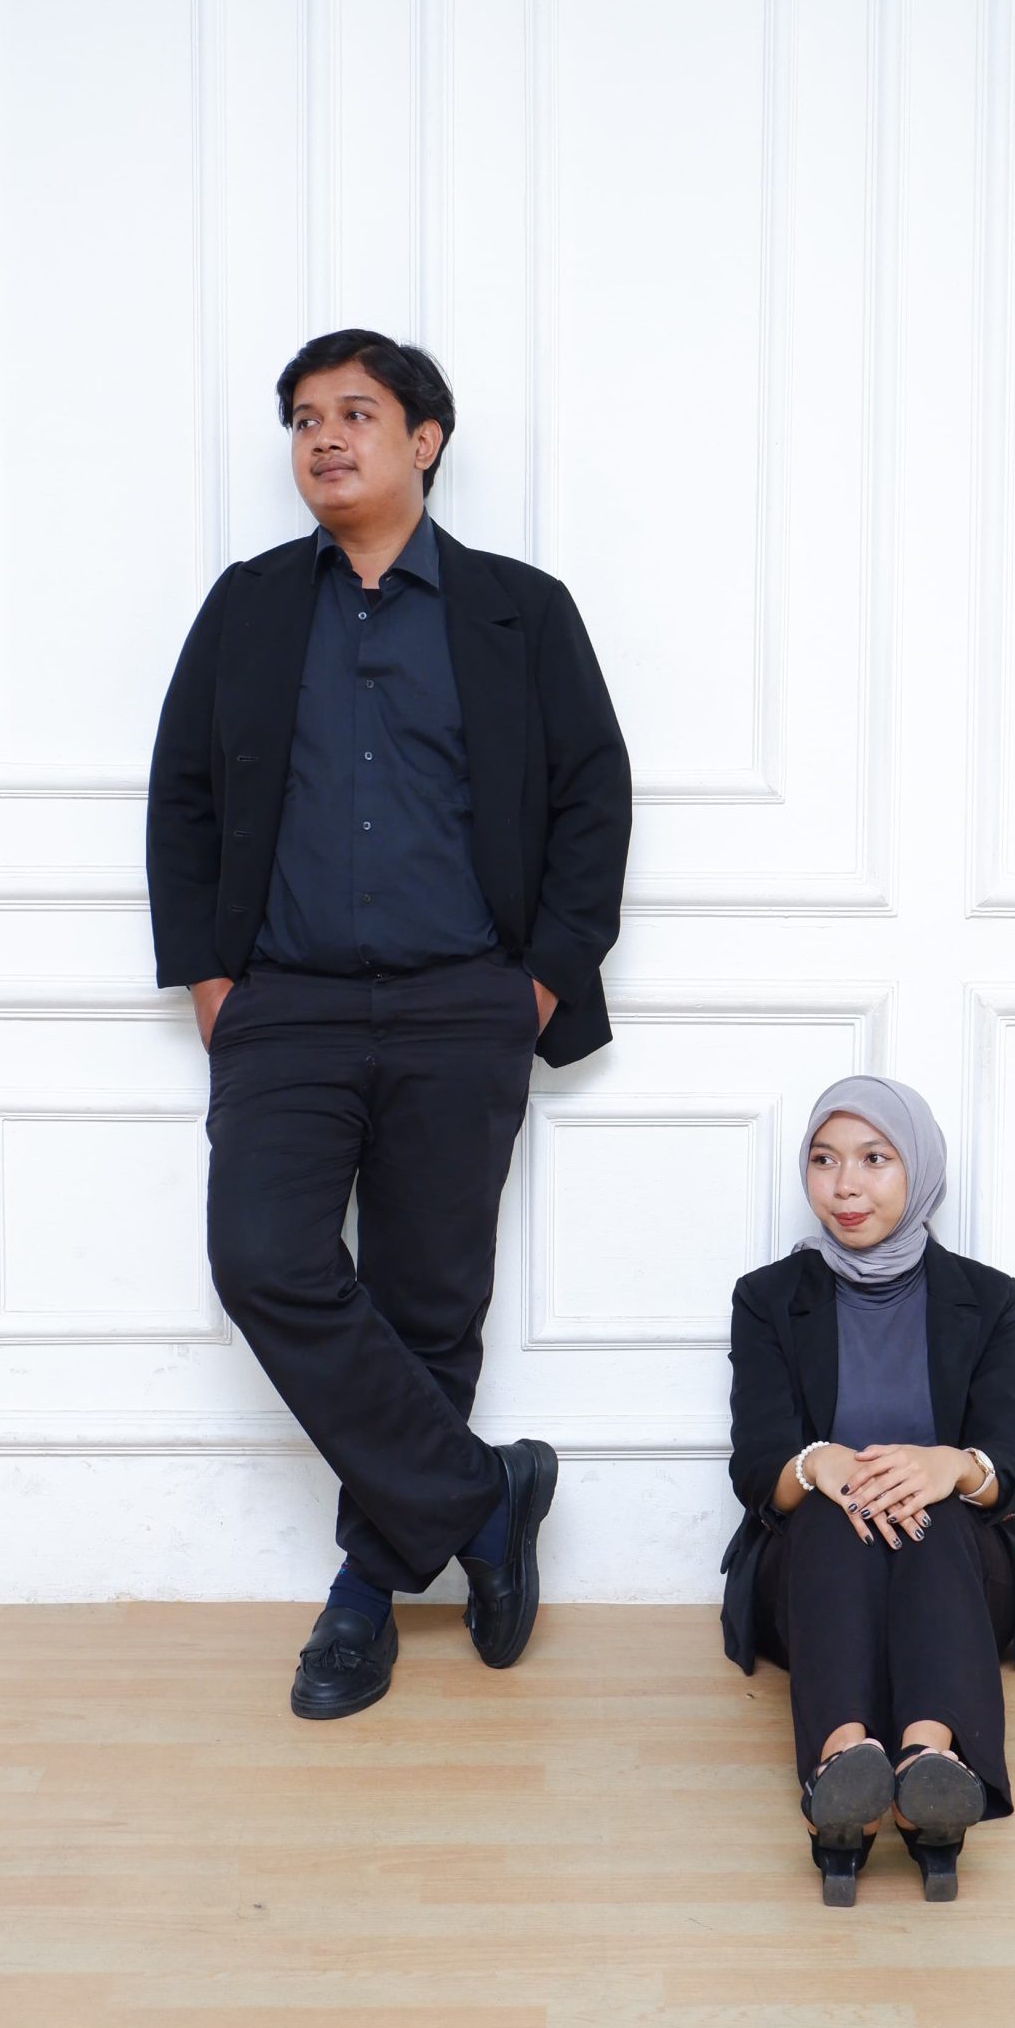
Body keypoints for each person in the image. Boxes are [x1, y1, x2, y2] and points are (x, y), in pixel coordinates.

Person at [147, 328, 631, 1717]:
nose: (324, 437)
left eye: (355, 412)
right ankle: (484, 1499)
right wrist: (211, 982)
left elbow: (592, 795)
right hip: (285, 1005)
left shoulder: (519, 611)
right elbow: (184, 795)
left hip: (461, 1001)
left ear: (425, 440)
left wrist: (537, 980)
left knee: (427, 1305)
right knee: (264, 1259)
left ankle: (363, 1595)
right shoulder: (248, 606)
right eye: (304, 417)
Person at [720, 1076, 1015, 1903]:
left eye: (873, 1159)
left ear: (918, 1167)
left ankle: (931, 1764)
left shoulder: (987, 1299)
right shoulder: (767, 1300)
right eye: (824, 1160)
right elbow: (757, 1469)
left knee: (933, 1513)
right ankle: (844, 1774)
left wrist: (950, 1467)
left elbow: (1013, 1463)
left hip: (958, 1567)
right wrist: (816, 1466)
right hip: (816, 1570)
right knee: (833, 1514)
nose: (845, 1186)